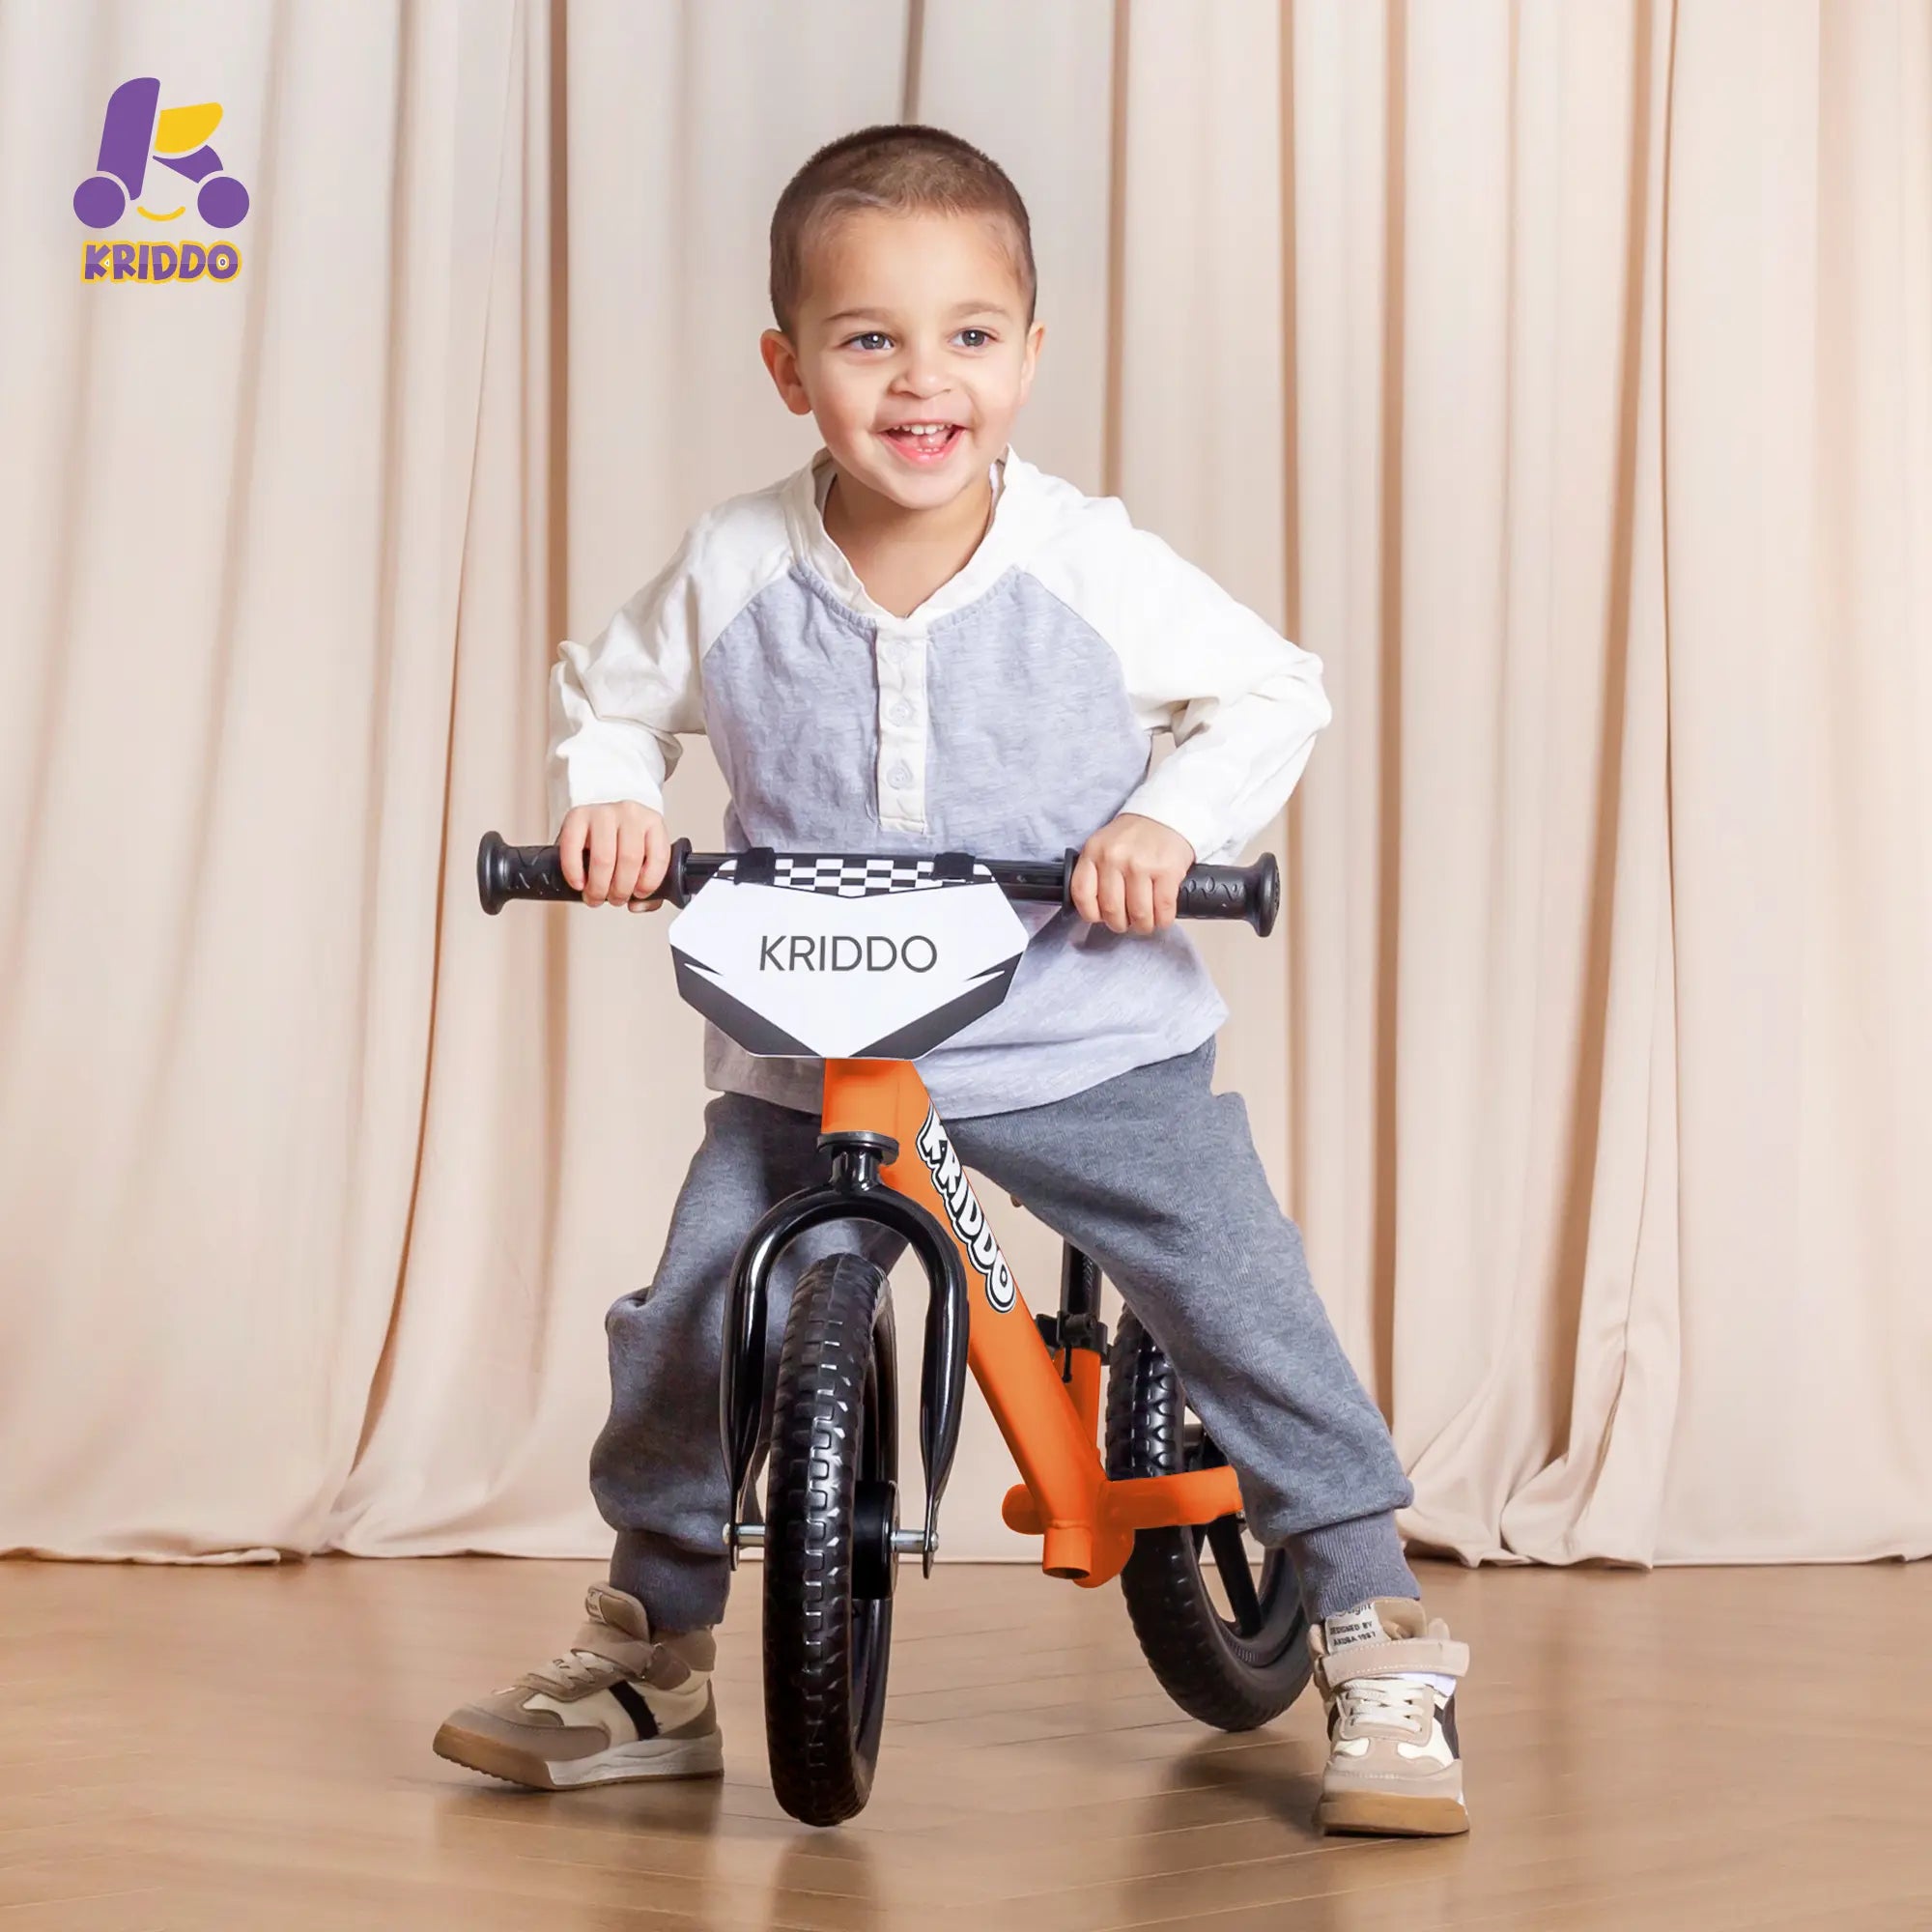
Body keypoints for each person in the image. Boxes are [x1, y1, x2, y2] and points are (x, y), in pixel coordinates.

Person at [434, 123, 1471, 1838]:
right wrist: (612, 798)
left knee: (1235, 1288)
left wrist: (1162, 815)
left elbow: (1271, 691)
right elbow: (611, 694)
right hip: (810, 1048)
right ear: (790, 369)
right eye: (870, 341)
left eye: (972, 337)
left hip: (1081, 1034)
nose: (927, 381)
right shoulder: (738, 562)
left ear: (1032, 357)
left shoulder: (1083, 564)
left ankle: (1371, 1622)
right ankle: (653, 1654)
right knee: (696, 1311)